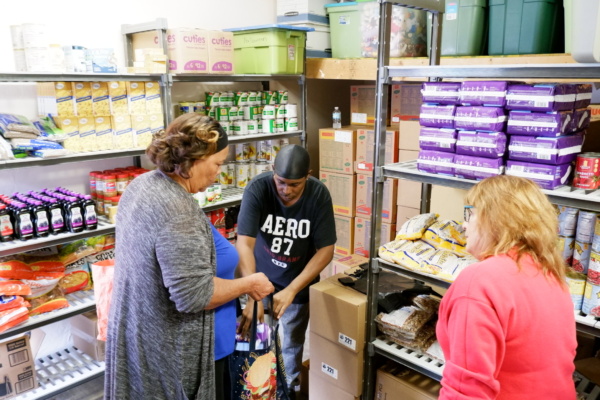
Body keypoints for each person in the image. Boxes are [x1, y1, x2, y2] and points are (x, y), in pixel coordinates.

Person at [104, 113, 274, 400]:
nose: (219, 172)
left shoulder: (142, 185)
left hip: (145, 340)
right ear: (193, 159)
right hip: (177, 354)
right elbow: (195, 296)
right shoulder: (178, 211)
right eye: (217, 163)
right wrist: (249, 284)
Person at [436, 175, 577, 400]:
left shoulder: (480, 281)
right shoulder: (550, 273)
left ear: (494, 219)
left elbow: (466, 390)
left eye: (470, 214)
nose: (463, 224)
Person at [236, 144, 337, 394]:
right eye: (281, 182)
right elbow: (244, 242)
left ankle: (287, 391)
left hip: (296, 284)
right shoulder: (258, 188)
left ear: (308, 176)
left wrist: (292, 290)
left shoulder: (319, 195)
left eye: (295, 185)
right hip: (259, 280)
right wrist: (253, 292)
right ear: (273, 172)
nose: (286, 190)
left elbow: (326, 250)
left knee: (291, 346)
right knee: (257, 343)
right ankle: (258, 393)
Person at [212, 223, 237, 400]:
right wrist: (248, 285)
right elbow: (195, 291)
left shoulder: (192, 212)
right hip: (208, 347)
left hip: (222, 338)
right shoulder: (179, 221)